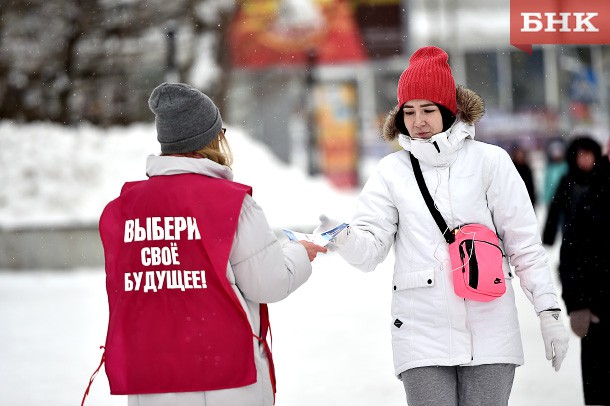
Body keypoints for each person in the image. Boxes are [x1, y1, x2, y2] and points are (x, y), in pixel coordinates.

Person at [316, 46, 569, 406]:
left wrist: (548, 313)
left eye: (428, 110)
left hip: (490, 328)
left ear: (450, 110)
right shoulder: (392, 172)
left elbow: (524, 247)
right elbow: (370, 253)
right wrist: (344, 237)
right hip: (421, 332)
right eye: (409, 111)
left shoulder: (491, 163)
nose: (418, 121)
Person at [96, 82, 327, 406]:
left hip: (152, 376)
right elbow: (269, 283)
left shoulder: (126, 208)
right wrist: (298, 253)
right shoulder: (229, 203)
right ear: (212, 138)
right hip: (221, 376)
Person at [557, 137, 609, 406]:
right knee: (598, 385)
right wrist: (576, 303)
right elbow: (571, 253)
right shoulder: (588, 193)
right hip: (596, 309)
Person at [542, 136, 602, 247]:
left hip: (600, 240)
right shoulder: (568, 180)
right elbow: (555, 208)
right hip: (572, 239)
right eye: (581, 155)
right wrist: (549, 236)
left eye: (588, 154)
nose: (585, 159)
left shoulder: (602, 179)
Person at [542, 138, 568, 207]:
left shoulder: (566, 166)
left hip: (564, 199)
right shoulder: (550, 168)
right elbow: (547, 184)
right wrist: (546, 198)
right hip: (552, 199)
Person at [509, 143, 537, 208]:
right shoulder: (511, 168)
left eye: (521, 155)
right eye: (518, 155)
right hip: (514, 200)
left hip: (526, 199)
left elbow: (531, 186)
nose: (520, 157)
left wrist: (532, 200)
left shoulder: (527, 168)